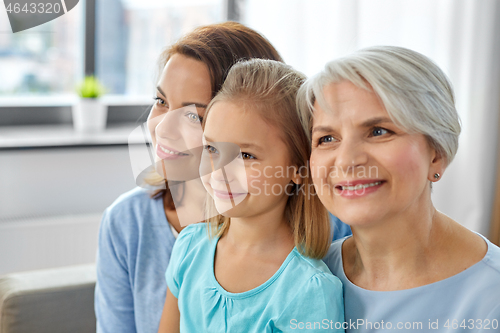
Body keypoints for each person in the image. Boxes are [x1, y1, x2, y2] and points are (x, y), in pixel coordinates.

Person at [95, 22, 351, 333]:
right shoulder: (140, 227)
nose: (161, 128)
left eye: (194, 116)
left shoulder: (330, 243)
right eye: (161, 101)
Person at [297, 46, 500, 332]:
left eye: (379, 131)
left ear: (436, 154)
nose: (346, 160)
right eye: (327, 138)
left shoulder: (492, 297)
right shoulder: (305, 275)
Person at [158, 59, 345, 332]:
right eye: (212, 148)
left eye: (246, 155)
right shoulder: (189, 248)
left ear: (299, 169)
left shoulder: (309, 290)